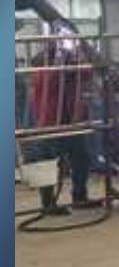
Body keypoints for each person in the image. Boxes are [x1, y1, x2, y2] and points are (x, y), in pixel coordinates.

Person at [25, 36, 93, 214]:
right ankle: (47, 203)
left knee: (81, 158)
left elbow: (87, 73)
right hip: (49, 122)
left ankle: (80, 196)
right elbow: (51, 80)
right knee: (46, 162)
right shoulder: (41, 71)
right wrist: (60, 64)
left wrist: (80, 55)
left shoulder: (69, 68)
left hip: (71, 119)